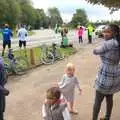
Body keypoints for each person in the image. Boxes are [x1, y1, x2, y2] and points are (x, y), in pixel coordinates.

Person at [92, 24, 120, 120]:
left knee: (97, 100)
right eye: (104, 31)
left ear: (115, 33)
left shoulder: (109, 43)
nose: (105, 33)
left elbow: (95, 51)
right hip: (115, 74)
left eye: (108, 32)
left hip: (106, 75)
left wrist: (100, 48)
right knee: (109, 98)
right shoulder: (117, 42)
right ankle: (107, 117)